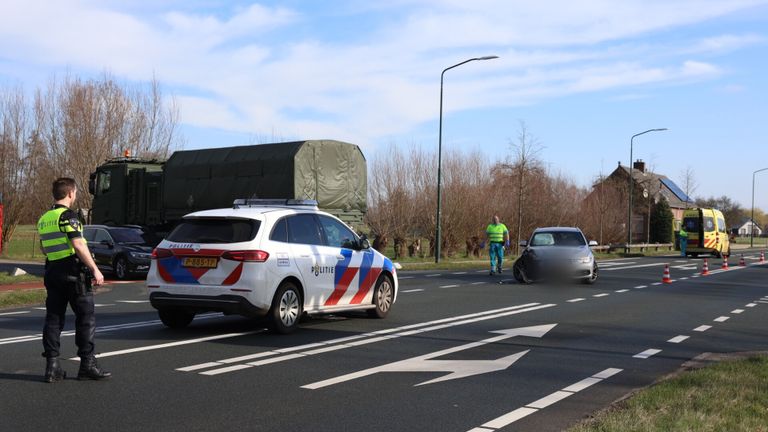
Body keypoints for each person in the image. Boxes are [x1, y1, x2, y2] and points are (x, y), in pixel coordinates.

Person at [38, 177, 111, 382]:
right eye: (76, 192)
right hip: (73, 273)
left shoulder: (44, 218)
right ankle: (87, 365)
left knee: (53, 319)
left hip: (52, 271)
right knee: (86, 318)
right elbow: (78, 245)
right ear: (70, 193)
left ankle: (52, 366)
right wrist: (95, 269)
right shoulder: (69, 216)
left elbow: (44, 248)